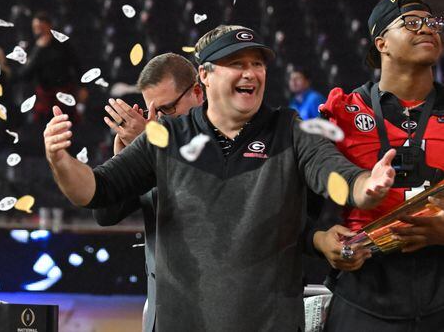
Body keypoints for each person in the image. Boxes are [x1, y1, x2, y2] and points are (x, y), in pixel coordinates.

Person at [44, 25, 397, 331]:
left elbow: (336, 177)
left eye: (257, 64)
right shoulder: (165, 137)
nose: (250, 73)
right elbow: (95, 190)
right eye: (236, 64)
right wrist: (60, 161)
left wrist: (366, 186)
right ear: (206, 76)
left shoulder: (291, 131)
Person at [312, 0, 444, 330]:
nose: (427, 29)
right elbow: (299, 205)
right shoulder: (341, 113)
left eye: (432, 23)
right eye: (412, 22)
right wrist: (319, 238)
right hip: (364, 294)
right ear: (381, 43)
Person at [94, 53, 204, 332]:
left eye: (166, 109)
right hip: (159, 316)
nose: (156, 121)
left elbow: (202, 207)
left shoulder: (225, 144)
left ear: (198, 93)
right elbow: (105, 214)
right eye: (151, 112)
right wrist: (126, 157)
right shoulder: (150, 145)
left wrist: (153, 148)